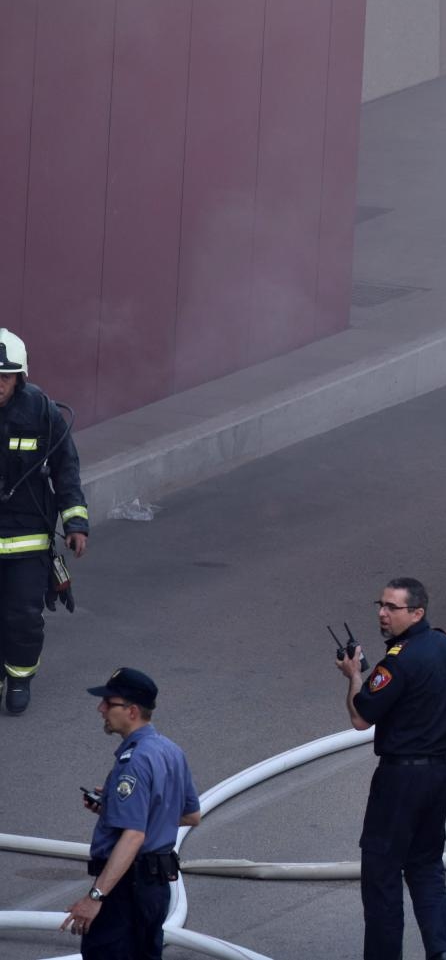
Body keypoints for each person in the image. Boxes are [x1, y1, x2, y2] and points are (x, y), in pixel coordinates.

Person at [337, 577, 446, 960]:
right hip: (443, 774)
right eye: (380, 605)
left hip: (401, 778)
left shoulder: (398, 662)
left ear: (417, 612)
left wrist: (354, 676)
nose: (382, 614)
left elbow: (360, 719)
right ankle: (441, 953)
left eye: (392, 608)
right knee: (426, 866)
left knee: (382, 873)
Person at [61, 667, 201, 959]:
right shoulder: (170, 750)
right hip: (154, 890)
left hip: (125, 890)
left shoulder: (134, 761)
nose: (101, 709)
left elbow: (134, 835)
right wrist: (114, 808)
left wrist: (95, 897)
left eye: (109, 703)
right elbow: (190, 815)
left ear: (132, 710)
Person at [0, 327, 89, 715]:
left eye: (3, 377)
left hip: (27, 539)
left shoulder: (41, 412)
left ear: (20, 378)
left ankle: (19, 678)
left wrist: (76, 523)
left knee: (22, 617)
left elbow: (66, 468)